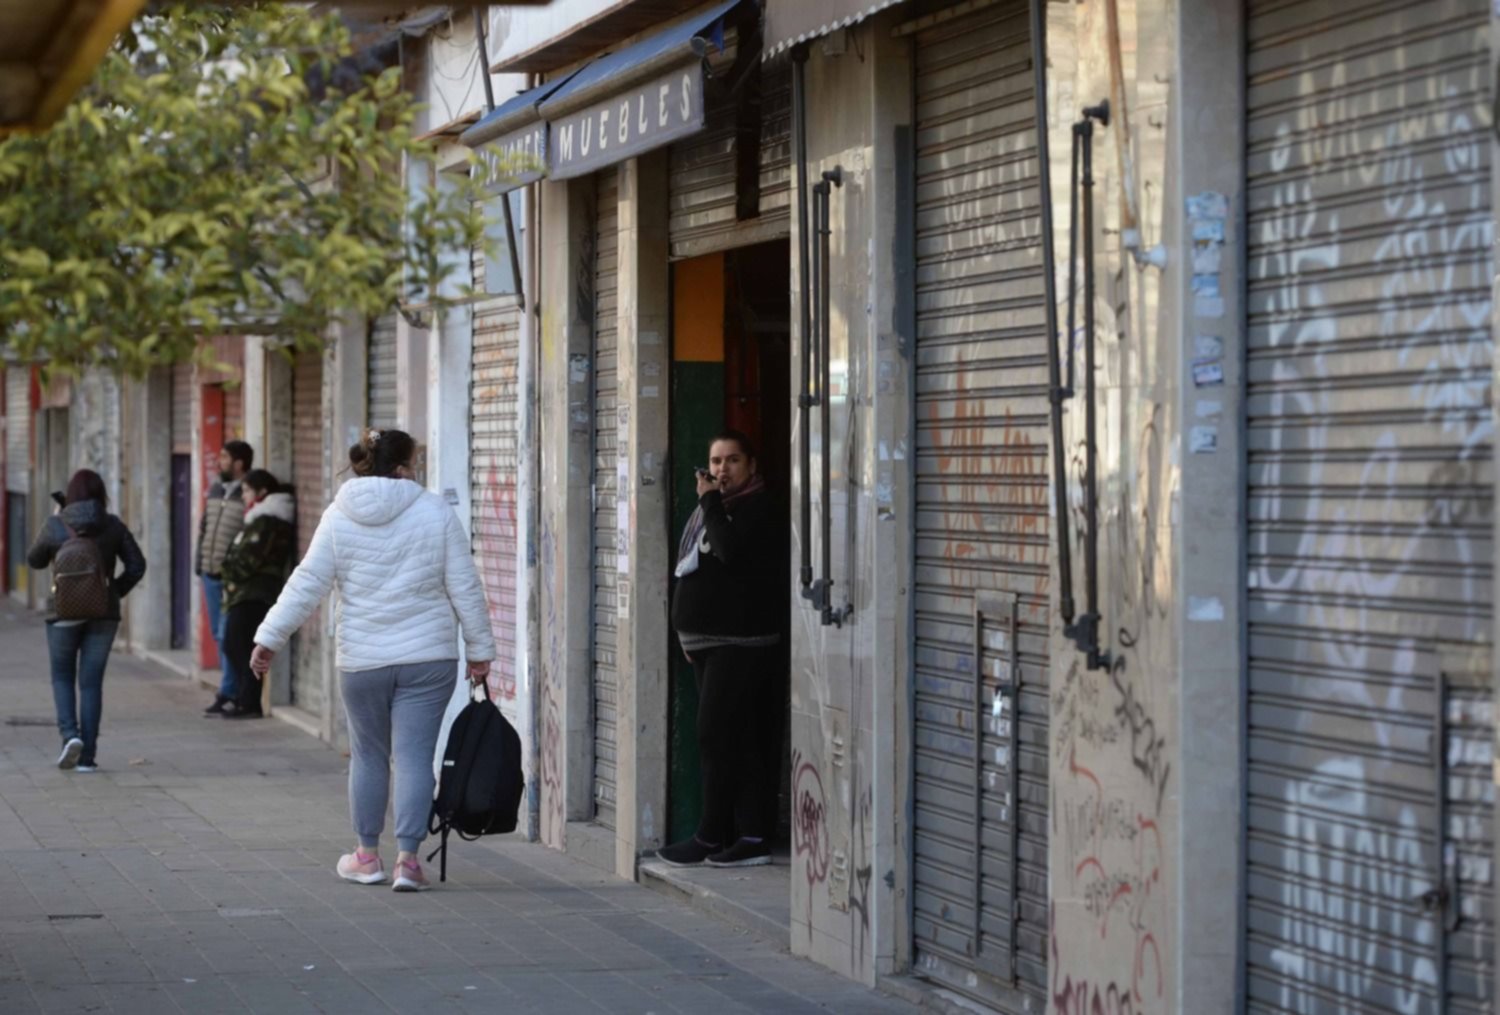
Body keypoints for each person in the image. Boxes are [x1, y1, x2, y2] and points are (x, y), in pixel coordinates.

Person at [248, 428, 494, 891]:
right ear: (404, 466)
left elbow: (307, 584)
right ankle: (408, 862)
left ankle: (366, 857)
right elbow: (465, 585)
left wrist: (269, 638)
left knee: (368, 756)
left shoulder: (339, 516)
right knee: (416, 758)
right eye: (415, 462)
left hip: (363, 661)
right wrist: (479, 650)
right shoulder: (435, 510)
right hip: (428, 657)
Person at [659, 430, 783, 868]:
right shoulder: (713, 510)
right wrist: (688, 634)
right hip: (709, 645)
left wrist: (710, 501)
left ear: (751, 465)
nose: (721, 470)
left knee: (713, 735)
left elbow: (729, 551)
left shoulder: (757, 508)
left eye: (732, 461)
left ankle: (710, 835)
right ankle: (751, 836)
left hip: (741, 643)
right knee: (739, 737)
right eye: (715, 462)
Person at [27, 469, 146, 772]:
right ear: (101, 495)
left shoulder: (56, 525)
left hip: (62, 613)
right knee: (91, 684)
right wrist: (114, 591)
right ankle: (88, 759)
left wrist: (56, 519)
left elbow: (34, 560)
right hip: (104, 614)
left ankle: (70, 737)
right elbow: (137, 565)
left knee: (62, 678)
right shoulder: (113, 525)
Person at [218, 470, 296, 720]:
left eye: (247, 491)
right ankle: (245, 700)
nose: (244, 496)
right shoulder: (259, 518)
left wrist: (229, 568)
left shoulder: (268, 520)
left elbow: (246, 560)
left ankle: (249, 702)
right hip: (247, 592)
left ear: (262, 492)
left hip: (255, 593)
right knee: (235, 645)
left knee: (239, 646)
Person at [198, 440, 254, 714]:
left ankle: (229, 690)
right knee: (218, 635)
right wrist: (200, 563)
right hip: (209, 574)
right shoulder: (216, 489)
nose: (219, 462)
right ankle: (228, 688)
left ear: (239, 463)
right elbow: (204, 528)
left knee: (227, 635)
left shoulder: (247, 493)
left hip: (231, 579)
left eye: (224, 457)